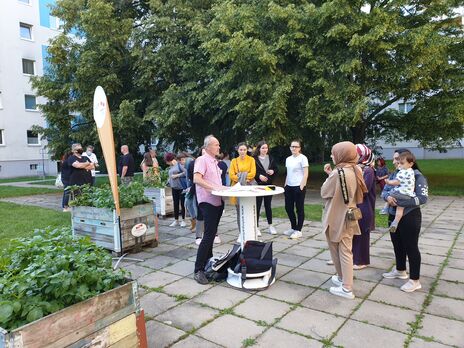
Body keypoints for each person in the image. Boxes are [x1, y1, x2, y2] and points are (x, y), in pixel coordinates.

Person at [321, 141, 367, 300]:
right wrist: (331, 175)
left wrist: (329, 177)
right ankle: (342, 279)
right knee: (344, 248)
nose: (332, 156)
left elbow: (324, 192)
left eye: (334, 153)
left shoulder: (338, 172)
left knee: (342, 250)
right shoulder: (355, 169)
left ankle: (346, 288)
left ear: (342, 154)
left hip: (336, 215)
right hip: (349, 213)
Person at [381, 149, 428, 292]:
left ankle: (415, 280)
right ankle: (400, 270)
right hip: (393, 215)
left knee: (411, 247)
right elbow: (384, 192)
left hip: (410, 217)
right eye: (395, 159)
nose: (394, 162)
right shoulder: (396, 174)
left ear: (408, 161)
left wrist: (401, 201)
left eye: (398, 159)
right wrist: (388, 198)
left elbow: (422, 198)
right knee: (397, 244)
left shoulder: (418, 176)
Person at [193, 135, 225, 284]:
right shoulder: (202, 160)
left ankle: (208, 264)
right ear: (207, 147)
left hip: (218, 202)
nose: (219, 147)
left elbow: (216, 183)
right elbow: (197, 179)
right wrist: (215, 189)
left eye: (219, 144)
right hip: (208, 202)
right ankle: (198, 270)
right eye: (216, 145)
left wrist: (228, 189)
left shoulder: (215, 162)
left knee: (211, 235)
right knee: (208, 235)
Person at [352, 144, 376, 270]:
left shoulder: (368, 170)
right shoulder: (357, 168)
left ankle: (362, 260)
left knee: (362, 233)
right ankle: (352, 258)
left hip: (364, 207)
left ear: (363, 155)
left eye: (355, 154)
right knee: (353, 232)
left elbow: (364, 190)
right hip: (356, 206)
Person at [229, 142, 257, 239]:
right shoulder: (234, 161)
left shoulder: (251, 160)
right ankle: (241, 232)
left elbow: (253, 173)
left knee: (249, 209)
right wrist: (244, 177)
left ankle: (251, 232)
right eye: (241, 149)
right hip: (237, 188)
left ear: (247, 150)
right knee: (239, 211)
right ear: (238, 150)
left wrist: (240, 176)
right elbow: (231, 175)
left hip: (249, 187)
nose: (242, 151)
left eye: (244, 149)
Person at [384, 152, 416, 233]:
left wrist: (389, 182)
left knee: (390, 193)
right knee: (400, 210)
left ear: (411, 163)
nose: (399, 165)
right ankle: (395, 223)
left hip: (400, 193)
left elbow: (397, 182)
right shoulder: (411, 171)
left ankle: (385, 209)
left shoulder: (403, 172)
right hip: (408, 195)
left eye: (401, 163)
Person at [283, 139, 309, 239]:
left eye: (296, 147)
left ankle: (298, 230)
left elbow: (306, 173)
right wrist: (285, 185)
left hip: (299, 186)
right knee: (288, 208)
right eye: (292, 146)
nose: (294, 148)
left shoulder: (303, 158)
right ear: (290, 148)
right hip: (289, 186)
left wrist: (302, 185)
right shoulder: (288, 159)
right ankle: (293, 228)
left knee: (299, 209)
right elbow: (288, 173)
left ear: (299, 148)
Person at [253, 140, 278, 235]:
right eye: (263, 148)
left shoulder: (271, 158)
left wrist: (273, 171)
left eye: (266, 148)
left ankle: (270, 225)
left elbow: (276, 169)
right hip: (258, 185)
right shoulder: (254, 159)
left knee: (268, 205)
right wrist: (258, 176)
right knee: (258, 205)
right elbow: (252, 172)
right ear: (259, 148)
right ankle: (257, 226)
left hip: (269, 185)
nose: (265, 149)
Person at [165, 152, 188, 227]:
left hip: (181, 187)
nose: (167, 163)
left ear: (170, 160)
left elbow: (186, 172)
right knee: (175, 204)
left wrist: (177, 175)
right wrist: (168, 181)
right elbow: (170, 176)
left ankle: (184, 220)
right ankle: (176, 220)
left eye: (167, 161)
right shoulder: (171, 167)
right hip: (174, 187)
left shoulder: (179, 165)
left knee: (182, 204)